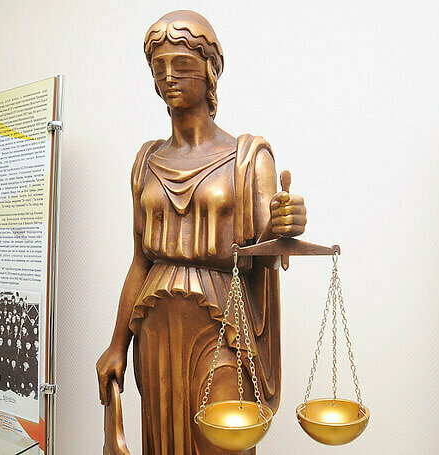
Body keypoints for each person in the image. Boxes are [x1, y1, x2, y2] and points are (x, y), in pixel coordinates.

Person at [96, 10, 307, 454]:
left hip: (221, 325)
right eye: (159, 67)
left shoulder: (248, 157)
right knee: (163, 441)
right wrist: (117, 344)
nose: (169, 76)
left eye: (182, 64)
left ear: (210, 70)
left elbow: (266, 255)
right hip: (155, 329)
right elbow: (141, 260)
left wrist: (284, 225)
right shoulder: (147, 160)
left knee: (222, 440)